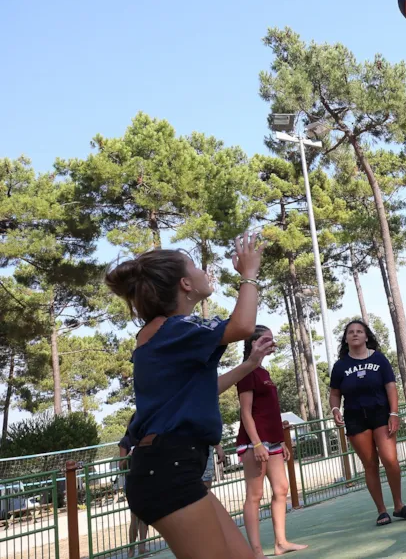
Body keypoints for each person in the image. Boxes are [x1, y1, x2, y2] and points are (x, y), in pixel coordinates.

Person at [105, 233, 270, 558]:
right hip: (167, 470)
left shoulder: (166, 334)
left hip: (172, 467)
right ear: (185, 284)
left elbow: (204, 391)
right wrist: (249, 275)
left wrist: (249, 365)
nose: (203, 271)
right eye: (195, 265)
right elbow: (242, 326)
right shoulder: (174, 329)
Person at [329, 320, 406, 526]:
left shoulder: (379, 359)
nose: (355, 334)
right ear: (346, 338)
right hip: (355, 417)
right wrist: (335, 409)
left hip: (381, 413)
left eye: (359, 331)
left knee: (390, 459)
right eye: (350, 332)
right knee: (370, 464)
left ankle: (398, 505)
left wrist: (394, 413)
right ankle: (381, 511)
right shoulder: (340, 366)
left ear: (366, 336)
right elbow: (334, 394)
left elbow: (391, 387)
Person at [236, 325, 308, 558]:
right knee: (254, 496)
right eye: (267, 340)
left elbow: (271, 411)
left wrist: (281, 441)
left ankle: (281, 542)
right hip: (254, 442)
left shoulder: (264, 373)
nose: (272, 343)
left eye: (272, 340)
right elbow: (246, 413)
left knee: (282, 489)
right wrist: (257, 443)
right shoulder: (246, 372)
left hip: (274, 441)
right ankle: (256, 552)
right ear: (254, 343)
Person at [117, 416, 148, 558]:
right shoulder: (125, 441)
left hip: (145, 479)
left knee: (145, 516)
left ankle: (143, 547)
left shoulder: (145, 439)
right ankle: (131, 549)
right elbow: (121, 465)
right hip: (132, 481)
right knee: (134, 517)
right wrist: (129, 456)